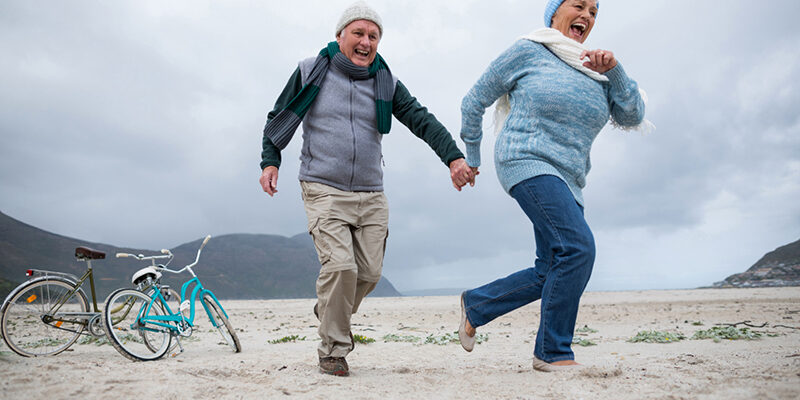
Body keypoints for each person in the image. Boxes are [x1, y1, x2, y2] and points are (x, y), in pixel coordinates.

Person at [259, 1, 475, 377]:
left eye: (373, 36)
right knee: (341, 267)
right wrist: (270, 160)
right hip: (323, 186)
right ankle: (333, 350)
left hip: (371, 192)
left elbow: (420, 119)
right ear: (340, 35)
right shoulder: (310, 70)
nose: (366, 42)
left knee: (369, 274)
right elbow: (281, 115)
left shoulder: (385, 80)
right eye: (358, 33)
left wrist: (454, 158)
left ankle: (330, 309)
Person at [457, 0, 648, 372]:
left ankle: (477, 305)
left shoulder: (597, 70)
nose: (587, 16)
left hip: (570, 178)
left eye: (594, 12)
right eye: (579, 5)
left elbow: (633, 115)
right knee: (578, 248)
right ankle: (552, 351)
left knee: (551, 269)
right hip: (525, 158)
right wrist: (472, 156)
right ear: (556, 12)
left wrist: (616, 71)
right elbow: (473, 100)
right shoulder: (528, 50)